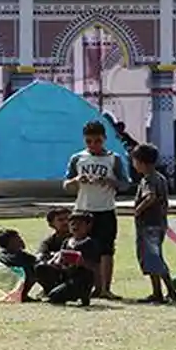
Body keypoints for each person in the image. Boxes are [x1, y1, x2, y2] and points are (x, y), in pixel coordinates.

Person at [63, 120, 126, 300]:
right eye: (89, 141)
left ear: (105, 139)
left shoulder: (114, 159)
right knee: (82, 250)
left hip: (105, 209)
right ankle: (83, 286)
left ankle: (105, 288)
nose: (93, 145)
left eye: (97, 141)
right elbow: (66, 185)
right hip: (82, 209)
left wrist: (109, 181)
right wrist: (77, 180)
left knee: (106, 250)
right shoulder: (78, 158)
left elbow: (125, 184)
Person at [131, 143, 176, 304]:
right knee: (156, 258)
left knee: (152, 259)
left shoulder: (148, 179)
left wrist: (138, 209)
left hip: (148, 224)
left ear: (141, 162)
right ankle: (165, 291)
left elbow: (150, 196)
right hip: (159, 223)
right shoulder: (160, 177)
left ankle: (160, 292)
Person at [46, 211, 100, 306]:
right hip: (66, 276)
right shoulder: (67, 241)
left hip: (81, 280)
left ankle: (82, 295)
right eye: (72, 224)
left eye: (79, 224)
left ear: (88, 226)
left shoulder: (90, 243)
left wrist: (82, 262)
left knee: (54, 297)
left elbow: (95, 266)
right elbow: (61, 256)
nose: (75, 226)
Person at [0, 228, 41, 301]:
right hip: (11, 287)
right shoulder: (22, 257)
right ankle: (23, 295)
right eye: (17, 238)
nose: (21, 240)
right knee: (36, 269)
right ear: (11, 242)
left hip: (0, 289)